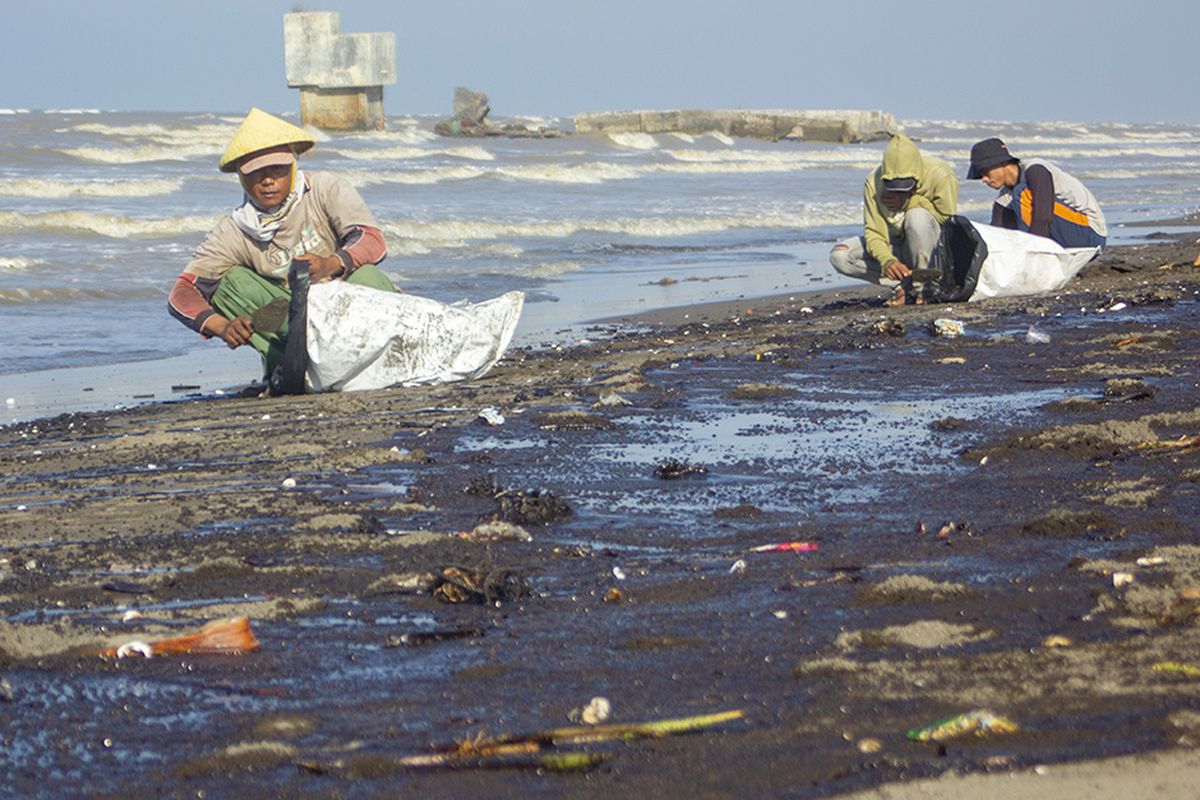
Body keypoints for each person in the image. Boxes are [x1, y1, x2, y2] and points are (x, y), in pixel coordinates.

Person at [169, 107, 396, 380]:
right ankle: (283, 364)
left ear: (292, 165)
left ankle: (377, 356)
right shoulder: (235, 230)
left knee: (369, 275)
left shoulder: (324, 189)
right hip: (293, 323)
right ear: (242, 177)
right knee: (229, 284)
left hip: (347, 307)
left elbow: (373, 240)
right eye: (256, 173)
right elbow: (181, 293)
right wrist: (221, 326)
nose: (267, 181)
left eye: (276, 169)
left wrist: (331, 264)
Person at [829, 133, 958, 305]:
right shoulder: (873, 182)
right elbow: (874, 233)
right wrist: (887, 261)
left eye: (905, 187)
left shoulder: (940, 174)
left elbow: (947, 219)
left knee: (916, 217)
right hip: (896, 247)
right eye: (894, 187)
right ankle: (901, 285)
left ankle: (926, 288)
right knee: (840, 256)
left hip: (933, 252)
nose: (898, 192)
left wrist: (910, 202)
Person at [967, 137, 1106, 249]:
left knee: (1021, 193)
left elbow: (1043, 217)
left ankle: (1036, 251)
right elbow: (996, 235)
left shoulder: (1035, 169)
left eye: (985, 172)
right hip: (1064, 235)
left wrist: (1032, 253)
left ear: (1002, 163)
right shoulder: (1004, 198)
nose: (984, 179)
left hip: (1091, 234)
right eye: (980, 175)